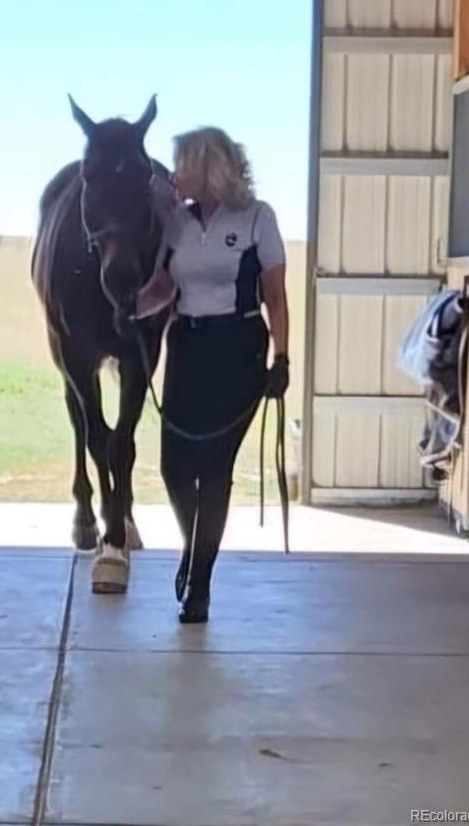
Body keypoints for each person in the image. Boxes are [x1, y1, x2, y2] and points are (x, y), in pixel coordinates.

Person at [135, 127, 290, 624]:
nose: (174, 173)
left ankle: (199, 585)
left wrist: (282, 359)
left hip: (238, 348)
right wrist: (128, 310)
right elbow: (164, 287)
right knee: (175, 468)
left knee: (215, 468)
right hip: (187, 346)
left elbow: (275, 295)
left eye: (182, 163)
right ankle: (193, 547)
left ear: (208, 168)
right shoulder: (177, 223)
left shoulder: (258, 218)